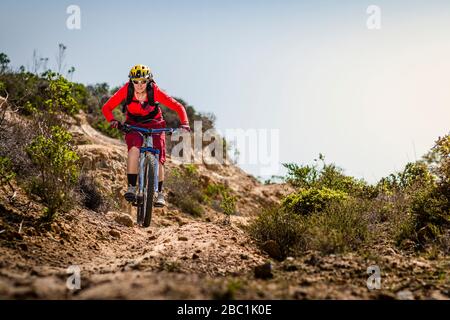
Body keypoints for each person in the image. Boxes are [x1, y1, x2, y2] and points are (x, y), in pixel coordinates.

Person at [101, 64, 190, 207]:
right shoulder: (126, 90)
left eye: (143, 81)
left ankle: (159, 194)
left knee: (159, 157)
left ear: (149, 81)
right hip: (133, 123)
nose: (139, 85)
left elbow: (178, 107)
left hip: (155, 122)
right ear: (131, 81)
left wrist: (185, 124)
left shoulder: (154, 91)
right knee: (134, 149)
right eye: (136, 81)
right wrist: (112, 120)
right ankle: (131, 187)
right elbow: (106, 107)